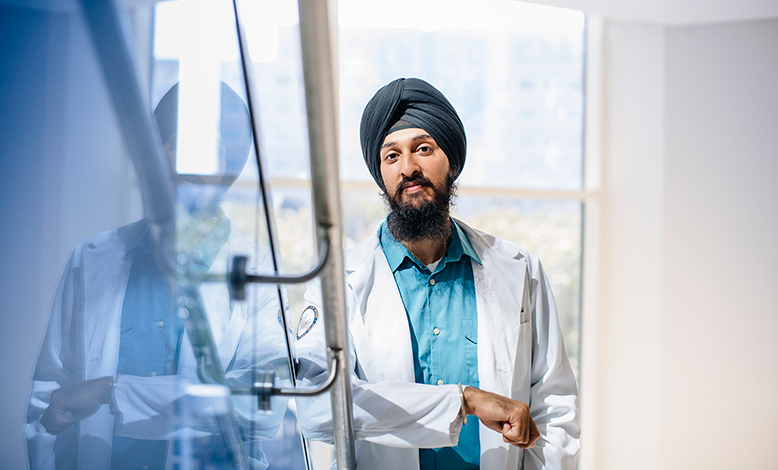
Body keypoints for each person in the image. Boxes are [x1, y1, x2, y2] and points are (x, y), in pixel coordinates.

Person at [295, 77, 580, 470]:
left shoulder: (520, 270)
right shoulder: (336, 284)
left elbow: (556, 406)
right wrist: (461, 401)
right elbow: (317, 409)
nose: (408, 167)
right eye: (391, 156)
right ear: (381, 175)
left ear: (452, 162)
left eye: (423, 149)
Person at [25, 82, 289, 469]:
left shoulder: (263, 272)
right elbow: (51, 403)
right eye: (179, 142)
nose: (192, 162)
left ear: (227, 166)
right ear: (155, 154)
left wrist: (112, 392)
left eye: (209, 148)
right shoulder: (91, 258)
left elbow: (261, 407)